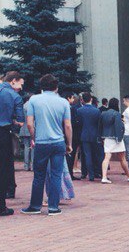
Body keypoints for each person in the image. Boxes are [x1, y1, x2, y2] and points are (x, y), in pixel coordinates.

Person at [21, 73, 72, 216]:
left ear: (41, 86)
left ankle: (35, 206)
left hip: (42, 142)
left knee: (39, 175)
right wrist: (69, 143)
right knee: (56, 175)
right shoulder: (63, 102)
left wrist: (34, 138)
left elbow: (30, 124)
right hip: (58, 142)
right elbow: (68, 125)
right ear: (56, 87)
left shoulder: (34, 100)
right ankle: (53, 207)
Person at [0, 72, 24, 216]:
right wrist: (13, 121)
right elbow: (20, 121)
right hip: (2, 134)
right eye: (20, 84)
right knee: (2, 172)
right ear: (13, 81)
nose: (21, 87)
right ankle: (0, 207)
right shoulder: (15, 96)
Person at [99, 97, 129, 183]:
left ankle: (104, 177)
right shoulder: (117, 114)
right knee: (122, 158)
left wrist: (101, 137)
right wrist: (119, 138)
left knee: (106, 158)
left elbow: (100, 126)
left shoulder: (103, 113)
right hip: (116, 137)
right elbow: (119, 127)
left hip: (106, 137)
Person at [78, 92, 102, 181]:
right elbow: (99, 124)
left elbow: (79, 124)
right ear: (91, 99)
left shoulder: (79, 110)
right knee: (96, 154)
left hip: (84, 134)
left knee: (87, 155)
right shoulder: (96, 110)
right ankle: (97, 172)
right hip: (95, 135)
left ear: (82, 100)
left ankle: (90, 175)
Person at [66, 93, 82, 178]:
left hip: (68, 134)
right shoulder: (71, 109)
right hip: (72, 135)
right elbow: (71, 123)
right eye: (72, 98)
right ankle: (69, 173)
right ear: (68, 98)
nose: (73, 100)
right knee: (70, 155)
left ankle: (69, 172)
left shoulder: (72, 108)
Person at [19, 96, 33, 172]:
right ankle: (33, 165)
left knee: (26, 148)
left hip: (24, 129)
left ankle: (26, 166)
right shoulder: (32, 106)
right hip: (32, 129)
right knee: (33, 147)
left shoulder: (23, 106)